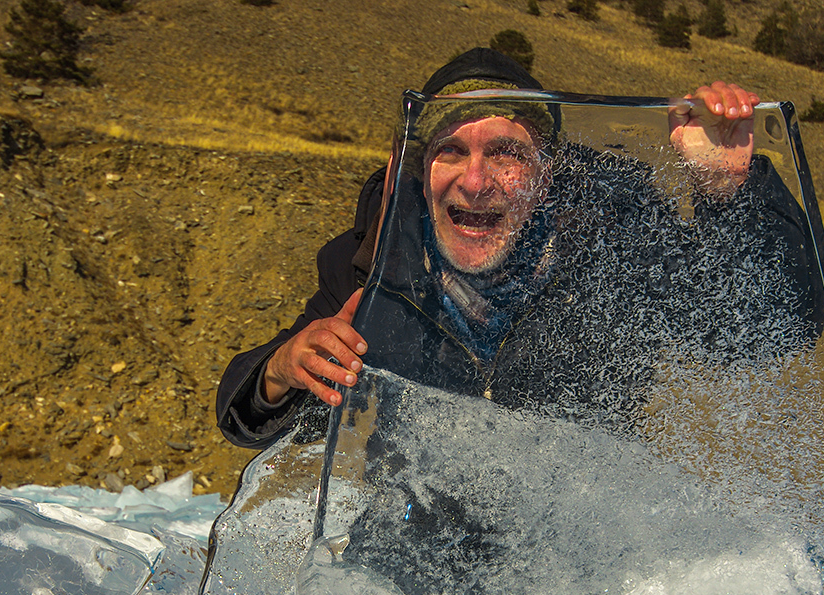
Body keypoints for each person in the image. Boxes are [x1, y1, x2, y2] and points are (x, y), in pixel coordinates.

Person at [215, 48, 773, 451]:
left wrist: (728, 196)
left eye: (506, 153)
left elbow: (759, 333)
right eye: (451, 151)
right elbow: (242, 411)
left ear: (544, 177)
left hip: (584, 563)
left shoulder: (612, 255)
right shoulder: (376, 264)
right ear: (420, 169)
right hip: (408, 564)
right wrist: (282, 368)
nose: (476, 182)